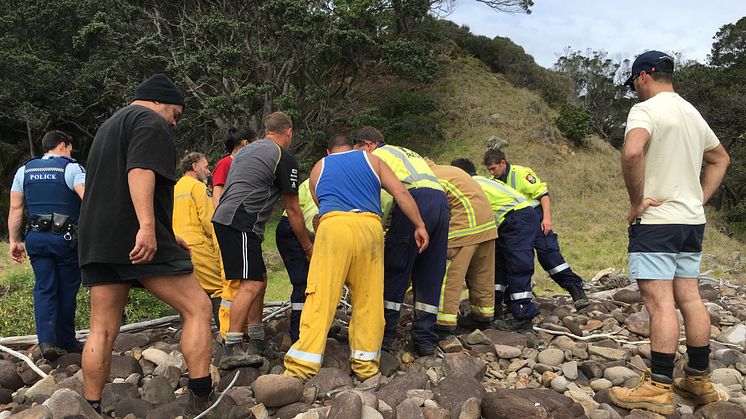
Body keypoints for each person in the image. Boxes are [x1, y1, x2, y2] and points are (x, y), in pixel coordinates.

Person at [77, 75, 222, 417]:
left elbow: (110, 187)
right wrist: (146, 228)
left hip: (98, 238)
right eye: (176, 113)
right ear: (160, 101)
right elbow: (139, 170)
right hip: (135, 237)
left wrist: (167, 233)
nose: (174, 121)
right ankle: (202, 399)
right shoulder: (150, 121)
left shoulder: (108, 126)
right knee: (199, 307)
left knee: (102, 326)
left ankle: (90, 407)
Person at [608, 51, 730, 415]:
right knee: (689, 298)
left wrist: (635, 201)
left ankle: (659, 387)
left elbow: (632, 153)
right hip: (691, 222)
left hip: (658, 222)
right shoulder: (692, 112)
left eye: (633, 84)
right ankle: (697, 380)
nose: (634, 92)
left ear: (643, 76)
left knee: (659, 302)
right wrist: (699, 198)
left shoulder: (645, 110)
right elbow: (720, 158)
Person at [284, 134, 429, 380]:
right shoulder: (372, 160)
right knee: (368, 298)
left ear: (329, 151)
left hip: (334, 227)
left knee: (321, 296)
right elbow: (401, 193)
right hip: (369, 228)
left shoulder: (319, 167)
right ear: (352, 147)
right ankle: (366, 365)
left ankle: (301, 367)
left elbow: (321, 205)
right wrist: (419, 225)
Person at [212, 111, 312, 369]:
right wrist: (307, 246)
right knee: (252, 284)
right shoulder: (283, 156)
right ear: (288, 132)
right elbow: (292, 209)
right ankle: (232, 347)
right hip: (241, 221)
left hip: (229, 219)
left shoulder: (246, 151)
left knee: (260, 278)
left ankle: (256, 340)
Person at [354, 127, 449, 356]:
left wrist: (382, 227)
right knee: (430, 271)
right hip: (440, 203)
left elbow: (388, 197)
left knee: (396, 267)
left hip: (414, 200)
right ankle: (425, 340)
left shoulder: (376, 157)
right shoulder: (406, 152)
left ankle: (384, 337)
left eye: (358, 150)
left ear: (368, 145)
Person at [7, 130, 86, 360]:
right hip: (65, 239)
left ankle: (47, 341)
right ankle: (67, 340)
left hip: (36, 239)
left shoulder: (25, 170)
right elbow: (88, 198)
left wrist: (14, 240)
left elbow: (16, 208)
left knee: (44, 288)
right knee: (67, 289)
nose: (70, 153)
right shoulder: (72, 168)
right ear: (62, 145)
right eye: (70, 148)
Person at [483, 149, 589, 309]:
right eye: (489, 170)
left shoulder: (520, 173)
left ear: (503, 163)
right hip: (514, 224)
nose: (492, 172)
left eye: (493, 168)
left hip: (536, 217)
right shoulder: (493, 181)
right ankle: (509, 301)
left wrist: (547, 219)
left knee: (549, 257)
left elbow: (543, 195)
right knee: (511, 260)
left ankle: (576, 290)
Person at [451, 158, 540, 332]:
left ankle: (524, 316)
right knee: (496, 266)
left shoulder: (469, 185)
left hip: (516, 219)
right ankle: (495, 309)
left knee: (517, 265)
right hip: (512, 220)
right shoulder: (484, 181)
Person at [424, 158, 497, 334]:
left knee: (448, 275)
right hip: (487, 226)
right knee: (482, 273)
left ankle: (443, 322)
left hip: (464, 227)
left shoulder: (429, 179)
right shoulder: (449, 171)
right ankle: (483, 315)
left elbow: (431, 211)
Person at [173, 152, 223, 329]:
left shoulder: (175, 187)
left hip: (177, 245)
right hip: (198, 246)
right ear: (194, 167)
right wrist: (219, 246)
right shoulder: (198, 187)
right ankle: (227, 340)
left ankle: (189, 335)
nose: (208, 171)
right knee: (218, 288)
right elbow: (209, 220)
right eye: (206, 166)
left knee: (188, 294)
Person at [276, 178, 319, 343]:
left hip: (293, 226)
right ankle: (299, 334)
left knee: (307, 282)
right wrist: (309, 247)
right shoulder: (332, 177)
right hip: (297, 229)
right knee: (304, 282)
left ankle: (306, 328)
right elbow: (312, 218)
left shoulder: (320, 173)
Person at [212, 127, 257, 208]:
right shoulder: (225, 164)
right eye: (256, 144)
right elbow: (216, 195)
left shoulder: (248, 166)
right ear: (246, 143)